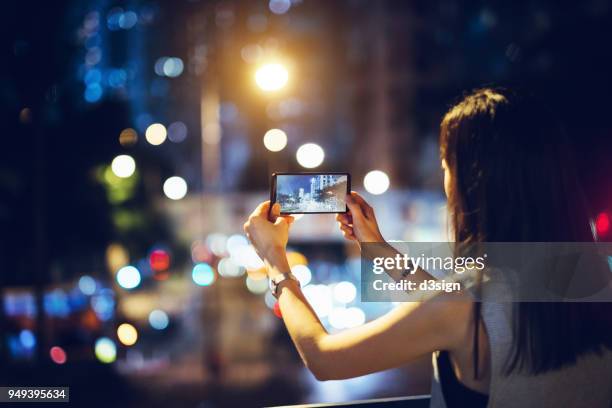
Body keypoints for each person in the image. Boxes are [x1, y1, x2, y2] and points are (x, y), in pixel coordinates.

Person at [243, 88, 612, 407]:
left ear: (475, 181)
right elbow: (452, 305)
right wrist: (377, 249)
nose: (445, 180)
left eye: (447, 166)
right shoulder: (595, 278)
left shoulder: (465, 306)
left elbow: (324, 360)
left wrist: (277, 263)